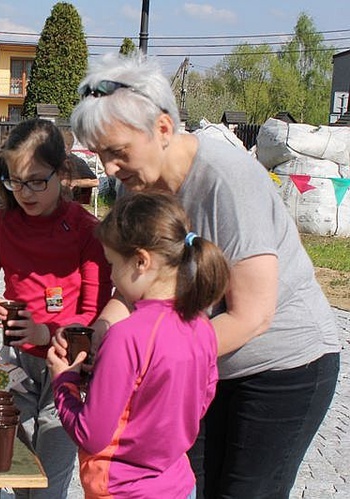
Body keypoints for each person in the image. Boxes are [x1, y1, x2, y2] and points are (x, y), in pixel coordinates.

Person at [69, 54, 341, 498]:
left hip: (281, 367)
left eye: (117, 153)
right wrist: (101, 331)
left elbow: (253, 315)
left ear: (161, 128)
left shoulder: (226, 179)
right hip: (199, 366)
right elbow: (134, 281)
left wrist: (153, 358)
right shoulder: (133, 185)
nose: (110, 169)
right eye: (101, 155)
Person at [0, 118, 113, 499]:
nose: (25, 193)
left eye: (36, 181)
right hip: (15, 367)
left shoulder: (86, 231)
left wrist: (47, 332)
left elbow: (95, 314)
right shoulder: (0, 224)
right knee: (20, 471)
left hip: (68, 367)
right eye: (16, 181)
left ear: (63, 173)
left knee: (47, 482)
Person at [48, 190, 229, 498]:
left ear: (141, 261)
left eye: (113, 264)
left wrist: (63, 381)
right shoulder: (202, 326)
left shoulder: (126, 336)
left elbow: (91, 435)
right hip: (176, 483)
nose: (113, 278)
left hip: (120, 488)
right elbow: (198, 401)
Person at [61, 128, 98, 204]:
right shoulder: (48, 160)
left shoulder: (76, 162)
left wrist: (73, 182)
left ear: (67, 147)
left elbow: (95, 182)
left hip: (69, 203)